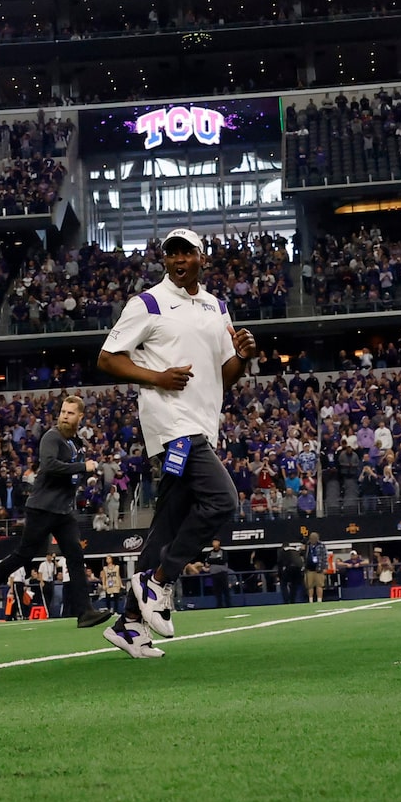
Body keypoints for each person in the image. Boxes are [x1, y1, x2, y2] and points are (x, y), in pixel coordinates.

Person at [97, 227, 255, 659]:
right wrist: (157, 378)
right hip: (170, 426)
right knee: (223, 500)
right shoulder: (146, 303)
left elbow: (221, 375)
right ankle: (159, 580)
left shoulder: (216, 307)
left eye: (187, 252)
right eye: (172, 254)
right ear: (164, 261)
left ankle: (130, 624)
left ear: (201, 258)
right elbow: (107, 358)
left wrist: (241, 356)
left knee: (168, 522)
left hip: (200, 425)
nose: (179, 259)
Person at [0, 394, 109, 630]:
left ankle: (85, 612)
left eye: (70, 413)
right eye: (63, 411)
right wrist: (83, 467)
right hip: (42, 508)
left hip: (63, 512)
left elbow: (73, 475)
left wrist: (87, 472)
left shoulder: (76, 444)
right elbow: (51, 465)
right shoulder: (51, 437)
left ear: (80, 417)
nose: (65, 416)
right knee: (23, 556)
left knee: (75, 557)